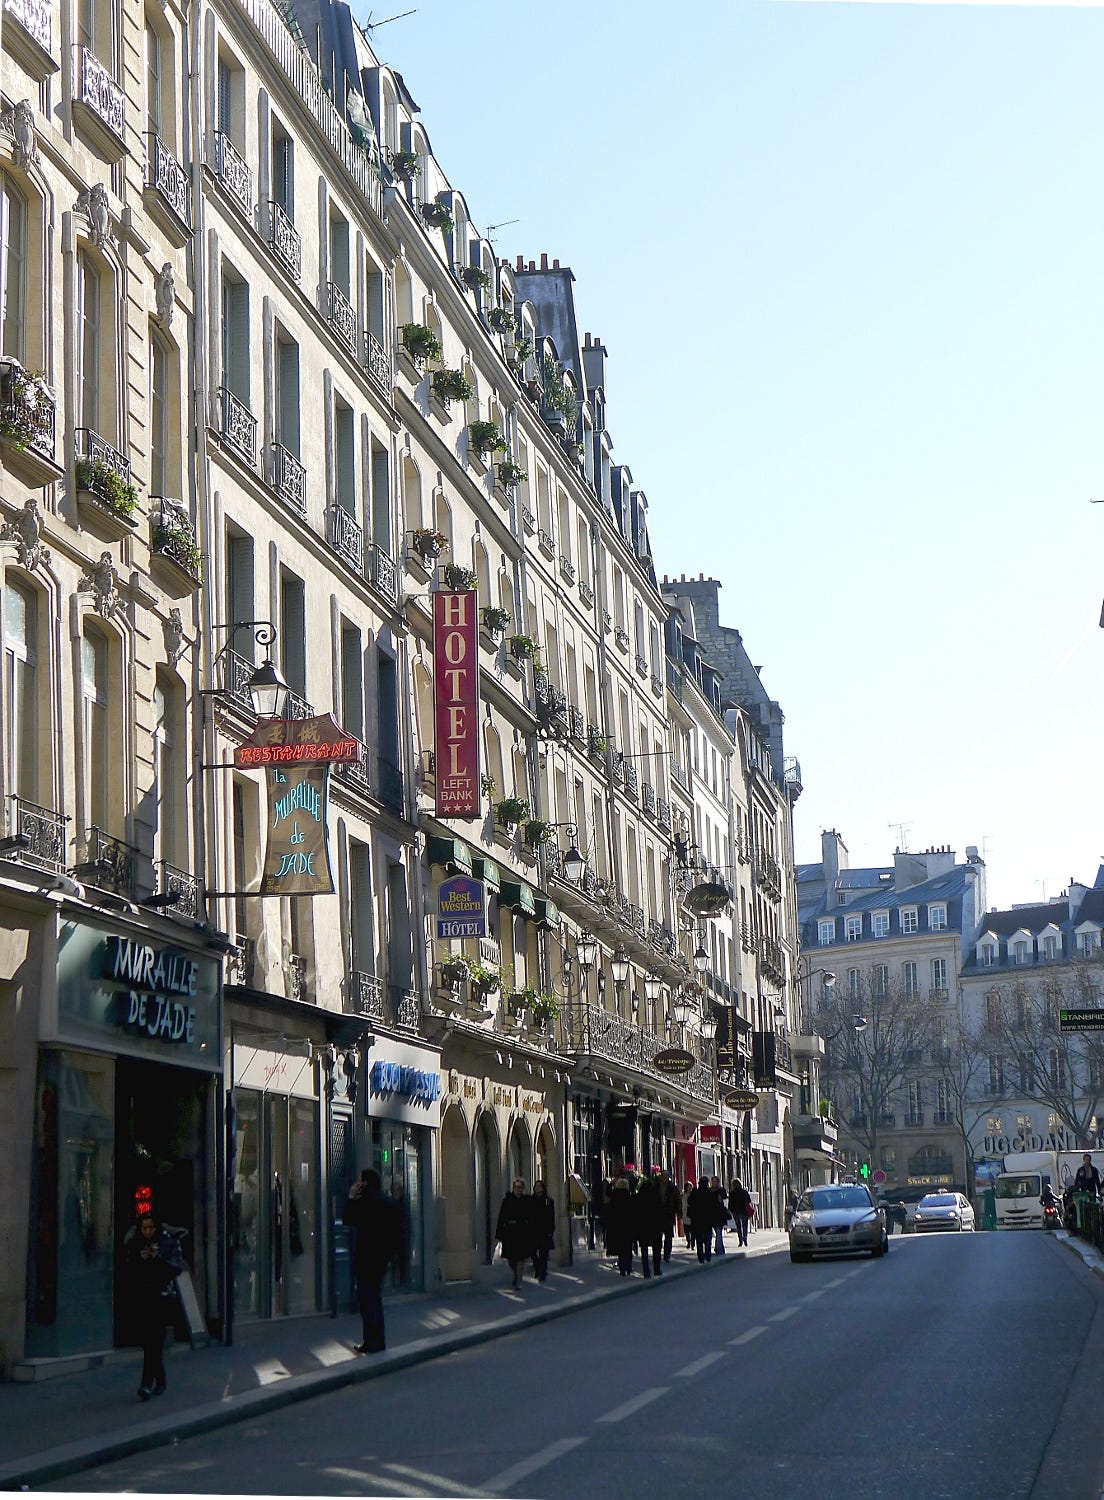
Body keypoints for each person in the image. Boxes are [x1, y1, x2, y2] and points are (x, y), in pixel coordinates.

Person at [122, 1212, 183, 1401]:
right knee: (149, 1342)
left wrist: (158, 1259)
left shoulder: (167, 1243)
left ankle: (146, 1384)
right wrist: (139, 1258)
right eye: (144, 1228)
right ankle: (161, 1378)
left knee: (153, 1341)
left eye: (151, 1228)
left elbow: (176, 1268)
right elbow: (126, 1268)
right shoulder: (135, 1244)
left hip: (161, 1297)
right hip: (142, 1298)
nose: (147, 1231)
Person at [343, 1168, 401, 1353]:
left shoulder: (364, 1202)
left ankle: (371, 1341)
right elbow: (397, 1233)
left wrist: (352, 1197)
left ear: (364, 1184)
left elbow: (347, 1219)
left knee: (366, 1300)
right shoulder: (388, 1203)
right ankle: (379, 1340)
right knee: (375, 1297)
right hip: (381, 1259)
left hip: (365, 1257)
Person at [495, 1177, 534, 1289]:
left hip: (522, 1233)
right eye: (515, 1187)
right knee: (510, 1258)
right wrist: (500, 1233)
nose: (517, 1189)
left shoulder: (526, 1201)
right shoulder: (507, 1200)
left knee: (521, 1258)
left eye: (519, 1187)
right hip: (510, 1233)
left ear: (523, 1189)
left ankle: (518, 1281)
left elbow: (531, 1217)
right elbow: (501, 1217)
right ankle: (516, 1275)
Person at [635, 1170, 665, 1277]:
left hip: (643, 1227)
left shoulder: (639, 1198)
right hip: (655, 1227)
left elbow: (635, 1213)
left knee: (644, 1250)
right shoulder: (656, 1198)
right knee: (656, 1249)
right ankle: (657, 1269)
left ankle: (646, 1270)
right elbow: (661, 1212)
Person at [604, 1176, 635, 1276]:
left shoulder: (614, 1196)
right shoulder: (629, 1196)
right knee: (628, 1248)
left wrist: (610, 1184)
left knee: (621, 1248)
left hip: (617, 1226)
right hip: (628, 1226)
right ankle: (628, 1267)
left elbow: (607, 1193)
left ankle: (622, 1269)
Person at [530, 1178, 556, 1282]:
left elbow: (551, 1216)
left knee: (543, 1254)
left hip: (544, 1230)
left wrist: (551, 1230)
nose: (538, 1188)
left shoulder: (548, 1201)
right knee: (532, 1251)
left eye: (539, 1186)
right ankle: (538, 1268)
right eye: (536, 1186)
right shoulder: (530, 1200)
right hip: (533, 1230)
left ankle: (542, 1273)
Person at [687, 1177, 717, 1262]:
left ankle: (700, 1256)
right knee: (708, 1238)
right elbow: (713, 1205)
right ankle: (708, 1255)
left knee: (699, 1239)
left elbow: (690, 1203)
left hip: (697, 1220)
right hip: (707, 1219)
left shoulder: (695, 1192)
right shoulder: (709, 1192)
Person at [659, 1169, 681, 1263]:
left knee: (668, 1236)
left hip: (669, 1214)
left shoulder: (672, 1187)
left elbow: (677, 1199)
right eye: (663, 1175)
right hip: (658, 1214)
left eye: (667, 1176)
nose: (665, 1177)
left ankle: (667, 1255)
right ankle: (658, 1252)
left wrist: (678, 1211)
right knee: (658, 1235)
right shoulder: (657, 1186)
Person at [728, 1179, 753, 1248]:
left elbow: (730, 1203)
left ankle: (740, 1240)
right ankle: (745, 1237)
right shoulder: (744, 1192)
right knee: (745, 1225)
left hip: (736, 1212)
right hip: (744, 1211)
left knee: (738, 1226)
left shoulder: (732, 1193)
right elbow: (749, 1200)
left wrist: (731, 1210)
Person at [710, 1176, 728, 1255]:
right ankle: (720, 1248)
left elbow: (724, 1199)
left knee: (719, 1232)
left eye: (715, 1181)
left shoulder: (721, 1190)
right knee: (715, 1233)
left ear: (718, 1182)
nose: (713, 1183)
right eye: (712, 1181)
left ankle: (718, 1248)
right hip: (711, 1215)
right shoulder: (709, 1191)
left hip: (719, 1214)